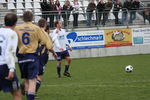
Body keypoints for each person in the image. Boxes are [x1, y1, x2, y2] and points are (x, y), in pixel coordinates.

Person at [15, 11, 56, 100]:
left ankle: (26, 95)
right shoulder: (36, 28)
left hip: (21, 57)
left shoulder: (17, 28)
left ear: (23, 18)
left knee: (26, 80)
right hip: (32, 56)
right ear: (32, 18)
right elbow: (45, 43)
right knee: (32, 80)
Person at [0, 13, 22, 100]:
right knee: (16, 93)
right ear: (15, 23)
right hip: (4, 66)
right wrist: (11, 69)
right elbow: (10, 52)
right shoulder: (12, 34)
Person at [35, 18, 52, 96]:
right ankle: (32, 92)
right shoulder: (45, 34)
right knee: (39, 75)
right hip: (42, 56)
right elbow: (49, 46)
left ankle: (26, 88)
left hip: (33, 55)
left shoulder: (35, 32)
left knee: (33, 74)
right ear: (45, 25)